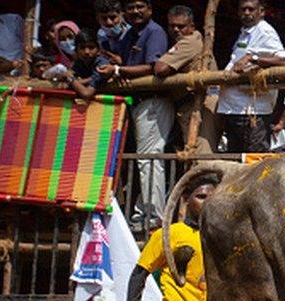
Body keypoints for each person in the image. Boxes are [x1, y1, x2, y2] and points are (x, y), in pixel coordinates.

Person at [96, 0, 172, 231]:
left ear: (150, 8)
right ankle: (144, 212)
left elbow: (153, 67)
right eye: (130, 7)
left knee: (150, 158)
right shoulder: (131, 35)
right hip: (138, 104)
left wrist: (119, 70)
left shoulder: (154, 32)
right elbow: (122, 60)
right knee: (144, 159)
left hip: (153, 102)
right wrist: (118, 64)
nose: (135, 11)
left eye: (140, 6)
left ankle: (153, 215)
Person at [216, 0, 285, 153]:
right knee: (238, 159)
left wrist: (252, 58)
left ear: (261, 12)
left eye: (251, 9)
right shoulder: (246, 32)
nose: (246, 13)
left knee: (254, 159)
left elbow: (283, 60)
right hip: (236, 108)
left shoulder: (264, 31)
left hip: (252, 112)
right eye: (243, 9)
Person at [154, 5, 219, 155]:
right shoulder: (193, 39)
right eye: (172, 26)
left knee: (200, 154)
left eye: (181, 26)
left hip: (199, 104)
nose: (176, 30)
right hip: (196, 103)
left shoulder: (189, 42)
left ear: (192, 27)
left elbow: (160, 69)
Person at [65, 29, 111, 100]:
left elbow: (86, 94)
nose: (86, 52)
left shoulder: (102, 65)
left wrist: (71, 79)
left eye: (91, 47)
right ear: (76, 50)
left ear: (99, 50)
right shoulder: (79, 62)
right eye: (82, 48)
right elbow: (71, 72)